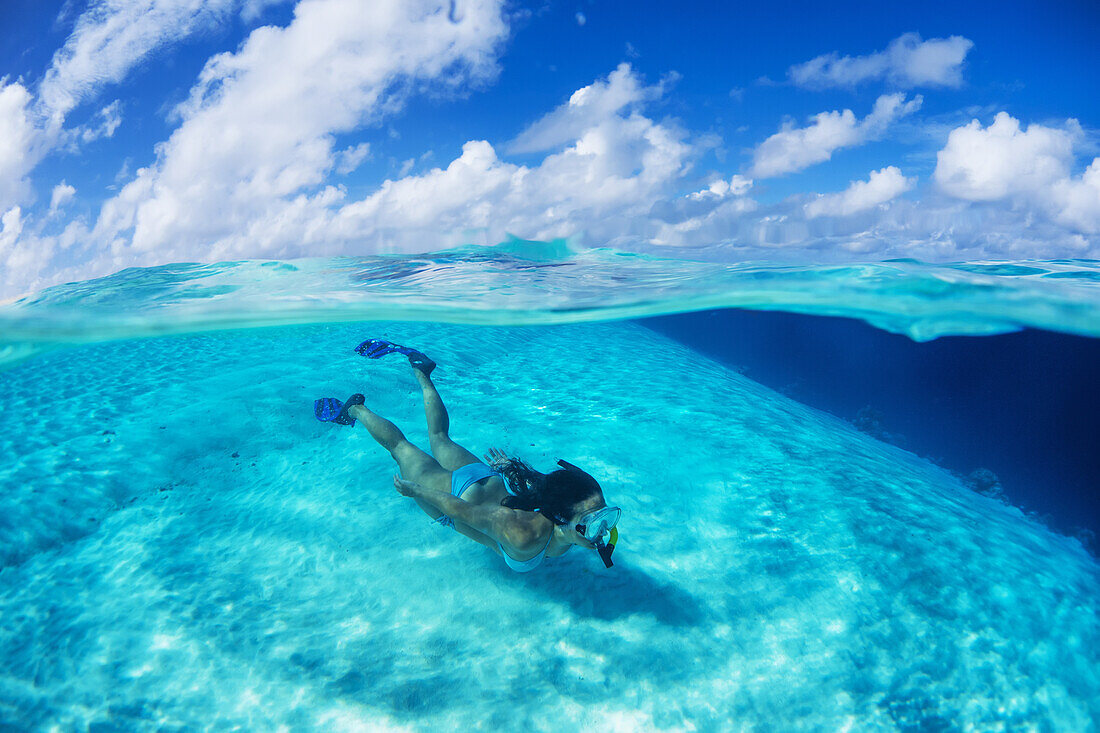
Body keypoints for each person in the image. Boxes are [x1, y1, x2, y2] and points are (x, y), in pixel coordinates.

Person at [314, 340, 620, 571]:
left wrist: (588, 532)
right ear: (560, 518)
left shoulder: (562, 516)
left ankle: (422, 371)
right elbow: (461, 512)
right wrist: (416, 490)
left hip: (488, 482)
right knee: (400, 448)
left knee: (438, 437)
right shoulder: (521, 534)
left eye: (605, 517)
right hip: (459, 496)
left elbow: (554, 493)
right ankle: (353, 409)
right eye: (595, 522)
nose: (603, 531)